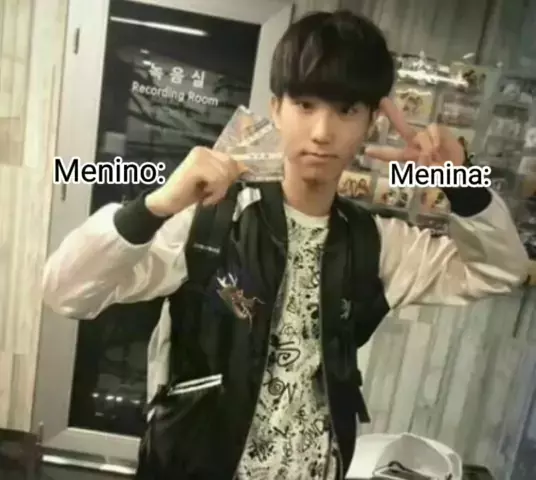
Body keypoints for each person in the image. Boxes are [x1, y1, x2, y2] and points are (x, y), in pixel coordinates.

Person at [42, 10, 528, 480]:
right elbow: (67, 292)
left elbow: (499, 271)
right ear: (276, 108)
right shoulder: (212, 220)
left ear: (370, 122)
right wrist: (154, 206)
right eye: (305, 104)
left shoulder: (377, 243)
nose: (322, 132)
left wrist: (462, 183)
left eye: (347, 110)